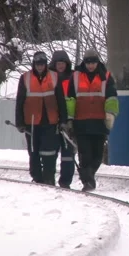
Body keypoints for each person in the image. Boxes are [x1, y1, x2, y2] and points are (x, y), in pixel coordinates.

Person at [67, 49, 118, 192]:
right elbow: (70, 99)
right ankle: (88, 181)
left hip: (99, 122)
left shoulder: (106, 77)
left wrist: (110, 115)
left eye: (93, 62)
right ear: (84, 62)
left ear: (97, 62)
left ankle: (88, 175)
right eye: (88, 63)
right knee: (85, 154)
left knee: (97, 155)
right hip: (81, 122)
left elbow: (112, 97)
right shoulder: (76, 77)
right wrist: (70, 119)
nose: (91, 66)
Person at [15, 51, 68, 186]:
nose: (40, 67)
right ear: (34, 64)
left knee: (49, 152)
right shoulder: (25, 78)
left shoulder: (54, 77)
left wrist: (63, 120)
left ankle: (49, 177)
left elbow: (61, 101)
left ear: (46, 64)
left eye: (42, 64)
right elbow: (20, 101)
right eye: (38, 64)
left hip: (50, 121)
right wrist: (19, 122)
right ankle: (37, 177)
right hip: (31, 123)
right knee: (33, 152)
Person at [48, 50, 76, 189]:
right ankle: (49, 179)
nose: (60, 66)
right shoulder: (49, 79)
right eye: (58, 63)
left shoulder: (72, 78)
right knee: (50, 153)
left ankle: (65, 181)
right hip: (52, 119)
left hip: (69, 121)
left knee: (68, 153)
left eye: (62, 63)